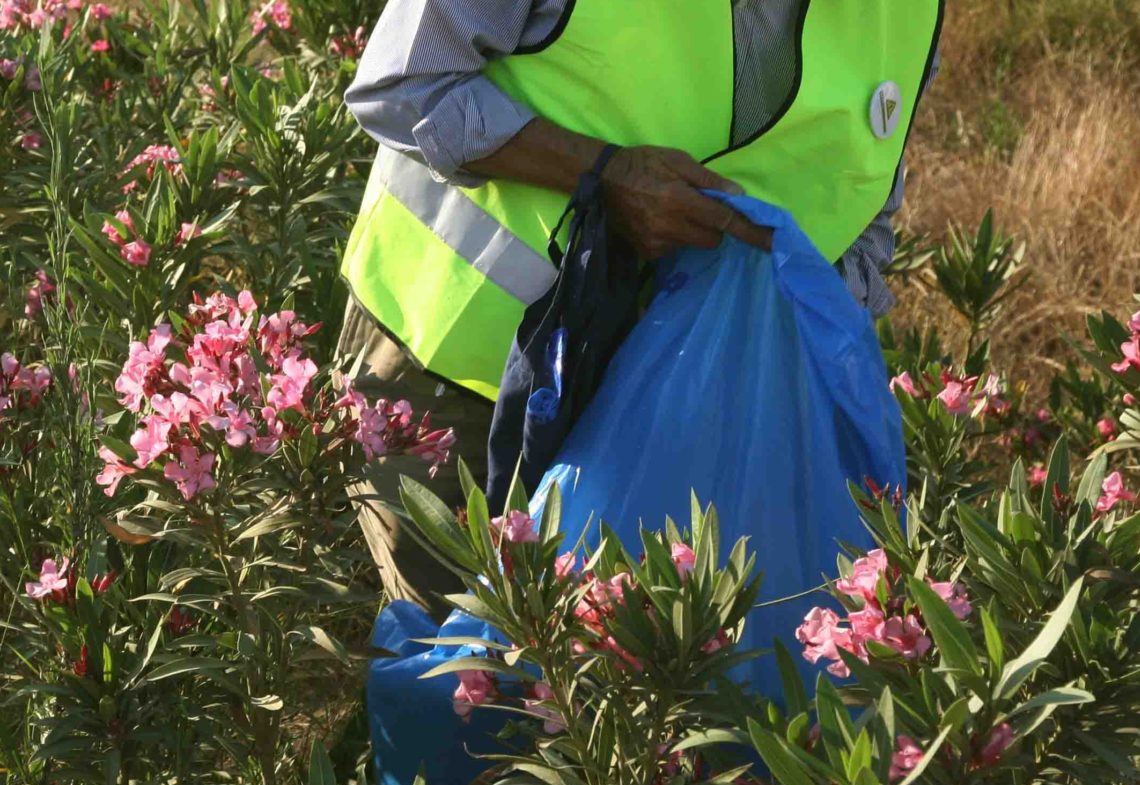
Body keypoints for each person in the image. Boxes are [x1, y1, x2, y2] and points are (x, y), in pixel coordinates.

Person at [338, 0, 942, 619]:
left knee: (626, 694)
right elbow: (403, 83)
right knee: (459, 683)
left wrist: (806, 389)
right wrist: (602, 172)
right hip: (459, 376)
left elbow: (867, 202)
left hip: (688, 430)